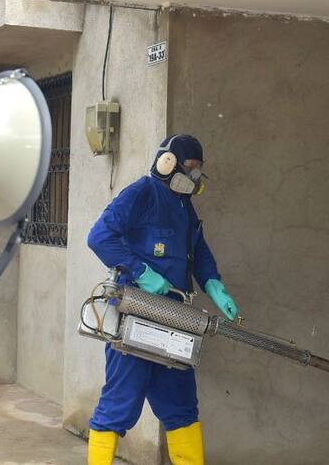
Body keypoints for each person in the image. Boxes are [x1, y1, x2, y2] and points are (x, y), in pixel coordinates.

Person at [86, 134, 239, 465]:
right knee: (119, 404)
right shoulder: (141, 193)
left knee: (181, 407)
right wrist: (140, 271)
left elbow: (198, 251)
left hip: (175, 320)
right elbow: (99, 237)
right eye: (189, 167)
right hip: (135, 315)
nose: (193, 175)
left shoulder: (185, 206)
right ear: (167, 162)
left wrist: (214, 284)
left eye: (198, 169)